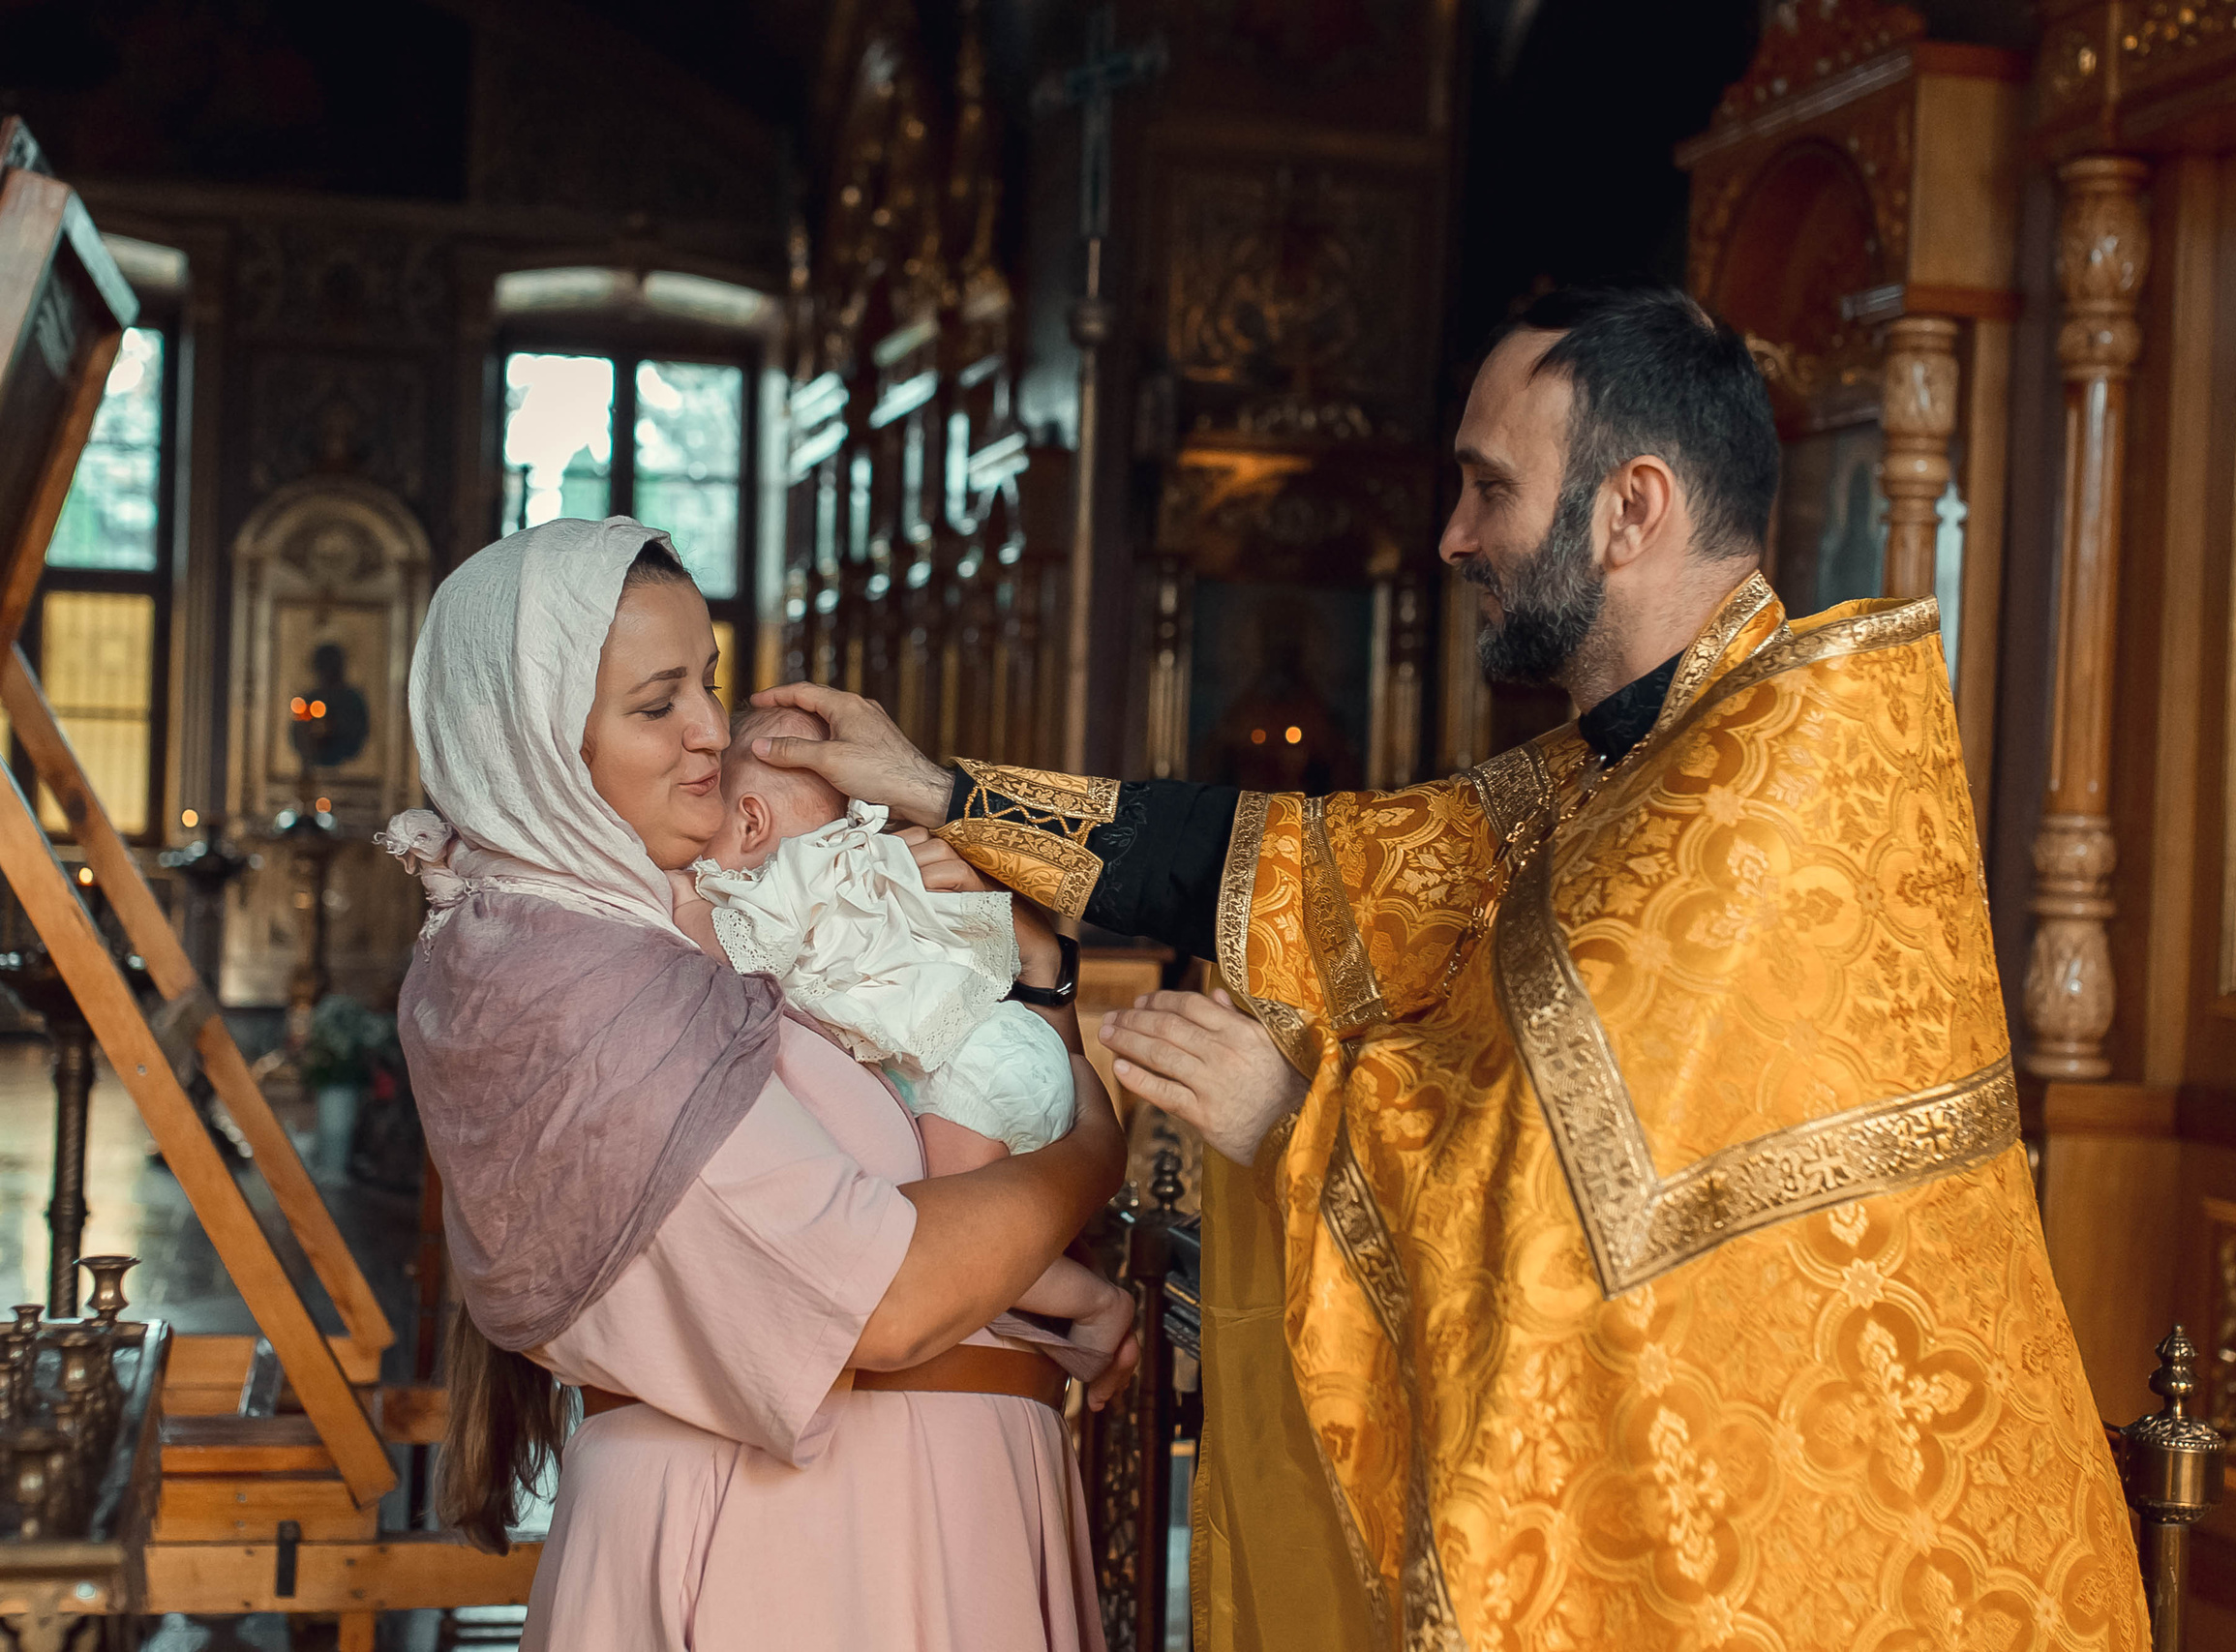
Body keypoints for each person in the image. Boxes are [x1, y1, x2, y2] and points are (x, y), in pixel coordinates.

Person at [754, 287, 2148, 1649]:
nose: (1452, 534)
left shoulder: (1774, 779)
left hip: (1816, 1548)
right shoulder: (1638, 761)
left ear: (1631, 506)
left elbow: (1572, 1203)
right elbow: (1320, 864)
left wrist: (1296, 1124)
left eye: (1490, 487)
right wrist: (946, 789)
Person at [389, 517, 1131, 1652]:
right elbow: (884, 1300)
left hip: (927, 1511)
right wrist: (1094, 1144)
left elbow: (933, 1131)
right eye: (655, 705)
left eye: (710, 684)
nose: (710, 736)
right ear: (533, 744)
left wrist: (1027, 973)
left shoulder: (712, 923)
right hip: (793, 1553)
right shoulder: (571, 981)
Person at [667, 701, 1129, 1356]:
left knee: (950, 1235)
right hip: (1003, 1046)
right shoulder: (858, 859)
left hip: (978, 1067)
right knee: (974, 1232)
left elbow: (738, 952)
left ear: (749, 819)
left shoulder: (788, 884)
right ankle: (1031, 1309)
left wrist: (685, 899)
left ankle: (1097, 1302)